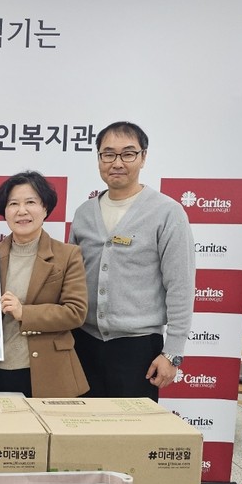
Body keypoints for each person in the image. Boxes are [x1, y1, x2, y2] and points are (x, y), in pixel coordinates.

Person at [69, 120, 196, 400]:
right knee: (80, 423)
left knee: (132, 426)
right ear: (99, 158)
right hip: (83, 343)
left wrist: (172, 353)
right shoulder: (84, 213)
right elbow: (71, 279)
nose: (117, 163)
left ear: (143, 157)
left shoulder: (167, 212)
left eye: (128, 154)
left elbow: (181, 286)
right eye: (108, 154)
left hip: (138, 348)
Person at [0, 171, 88, 397]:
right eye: (13, 203)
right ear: (4, 211)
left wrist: (24, 312)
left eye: (30, 202)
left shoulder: (67, 255)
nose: (21, 211)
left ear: (45, 208)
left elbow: (76, 312)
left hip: (50, 373)